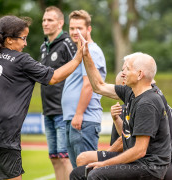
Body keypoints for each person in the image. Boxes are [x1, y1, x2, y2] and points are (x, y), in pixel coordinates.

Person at [0, 15, 85, 180]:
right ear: (10, 40)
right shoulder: (21, 60)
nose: (25, 43)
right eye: (23, 38)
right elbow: (54, 77)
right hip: (1, 135)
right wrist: (78, 58)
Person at [70, 46, 171, 179]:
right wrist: (87, 55)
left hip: (149, 167)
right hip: (136, 161)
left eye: (127, 69)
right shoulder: (131, 92)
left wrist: (104, 163)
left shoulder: (147, 103)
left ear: (140, 74)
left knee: (95, 175)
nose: (123, 73)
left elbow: (139, 151)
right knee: (78, 174)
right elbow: (99, 86)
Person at [61, 10, 107, 168]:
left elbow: (89, 85)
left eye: (79, 28)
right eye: (72, 28)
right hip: (75, 120)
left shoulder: (91, 50)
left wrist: (79, 114)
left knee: (86, 172)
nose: (75, 32)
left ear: (89, 29)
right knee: (78, 172)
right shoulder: (80, 51)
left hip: (83, 121)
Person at [40, 6, 75, 180]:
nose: (45, 23)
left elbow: (78, 72)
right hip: (48, 111)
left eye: (50, 20)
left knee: (64, 158)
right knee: (54, 158)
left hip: (64, 111)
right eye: (44, 20)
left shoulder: (68, 43)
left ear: (60, 23)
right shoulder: (43, 46)